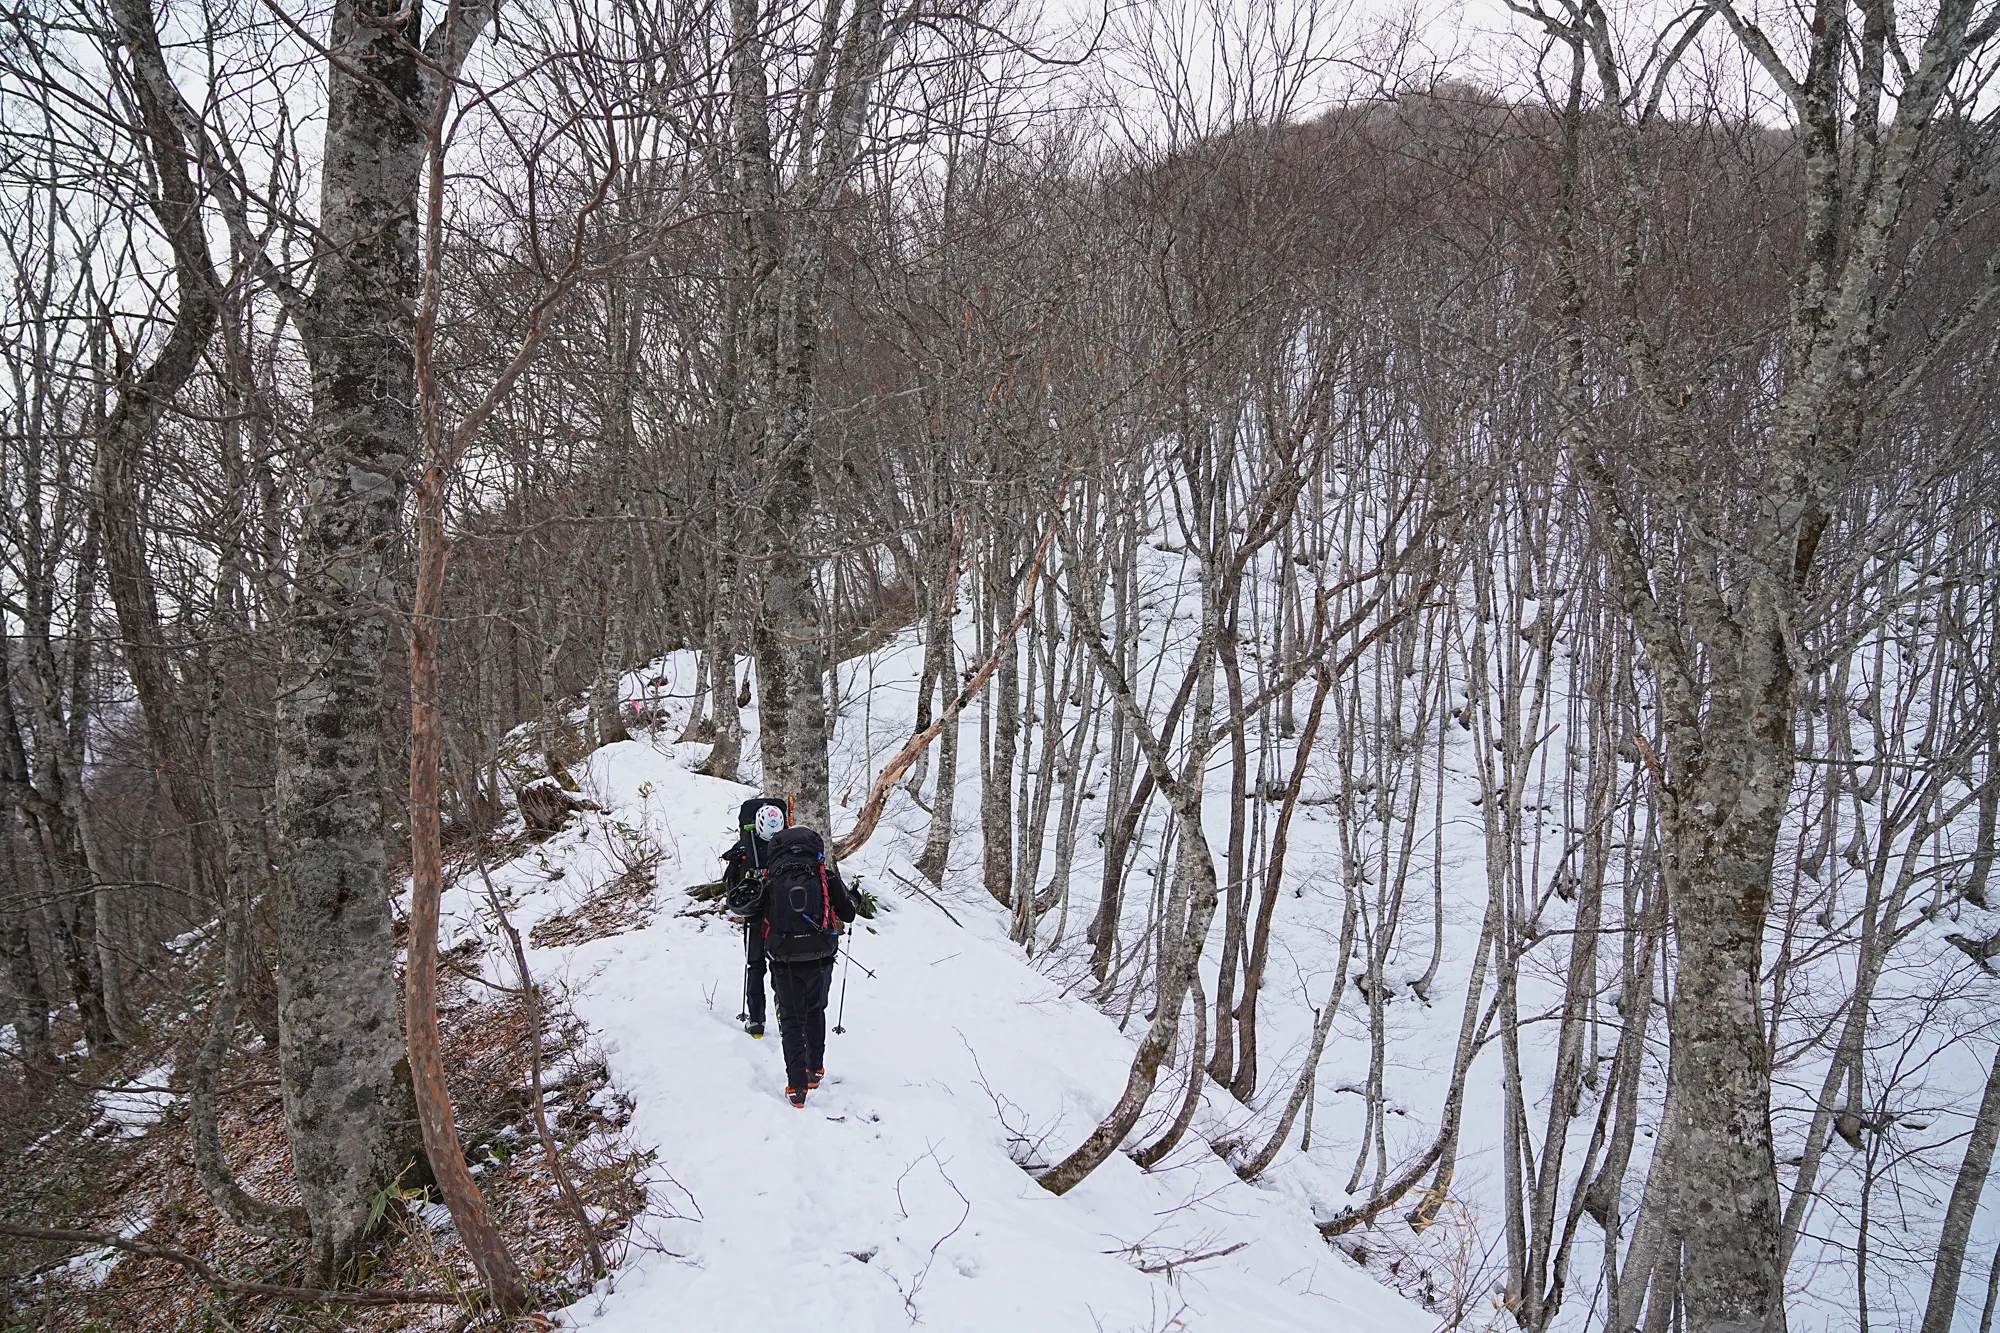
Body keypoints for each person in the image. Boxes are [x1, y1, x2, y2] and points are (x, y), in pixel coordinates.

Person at [730, 818, 855, 1108]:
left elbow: (752, 914)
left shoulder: (771, 878)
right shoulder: (825, 875)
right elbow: (847, 913)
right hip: (821, 956)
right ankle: (815, 1070)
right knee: (815, 1011)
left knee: (791, 1020)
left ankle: (796, 1088)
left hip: (783, 957)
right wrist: (854, 898)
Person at [720, 796, 789, 1038]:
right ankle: (784, 1014)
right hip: (782, 917)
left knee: (755, 966)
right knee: (780, 965)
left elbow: (730, 882)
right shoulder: (788, 848)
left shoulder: (746, 849)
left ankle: (756, 1020)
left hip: (755, 918)